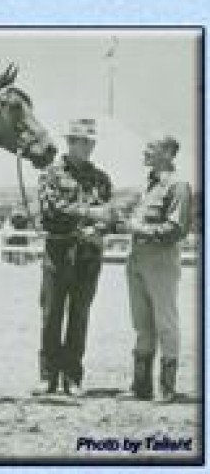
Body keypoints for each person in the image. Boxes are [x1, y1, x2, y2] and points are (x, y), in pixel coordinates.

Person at [36, 118, 114, 396]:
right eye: (83, 141)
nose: (89, 146)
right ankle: (47, 377)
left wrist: (100, 226)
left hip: (88, 254)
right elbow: (50, 208)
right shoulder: (51, 173)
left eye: (91, 141)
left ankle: (72, 376)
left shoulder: (101, 178)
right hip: (58, 251)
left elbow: (110, 215)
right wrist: (89, 213)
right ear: (71, 142)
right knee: (51, 314)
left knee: (79, 315)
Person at [117, 136, 192, 402]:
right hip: (137, 258)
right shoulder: (149, 186)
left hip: (161, 259)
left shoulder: (178, 186)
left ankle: (167, 388)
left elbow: (176, 229)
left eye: (151, 146)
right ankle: (141, 386)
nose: (145, 149)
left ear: (169, 152)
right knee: (141, 323)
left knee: (165, 323)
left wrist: (138, 228)